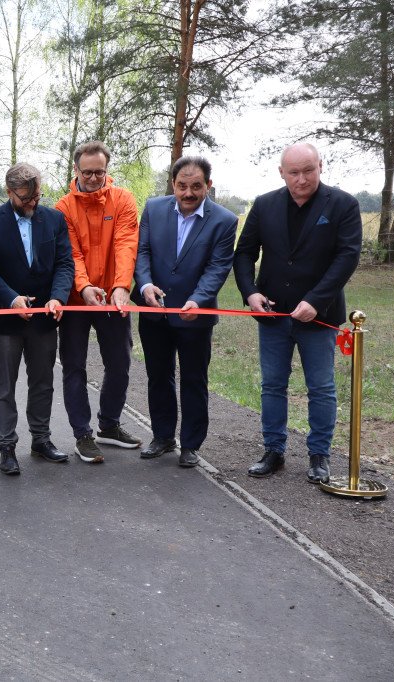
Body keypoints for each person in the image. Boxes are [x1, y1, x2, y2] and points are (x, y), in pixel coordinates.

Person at [234, 143, 362, 484]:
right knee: (272, 385)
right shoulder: (264, 205)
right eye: (294, 172)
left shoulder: (344, 205)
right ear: (281, 173)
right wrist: (250, 292)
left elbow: (347, 257)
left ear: (320, 166)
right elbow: (244, 252)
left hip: (319, 317)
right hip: (273, 314)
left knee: (321, 387)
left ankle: (319, 456)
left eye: (308, 170)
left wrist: (316, 300)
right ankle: (273, 451)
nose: (302, 179)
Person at [132, 157, 238, 467]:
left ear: (208, 185)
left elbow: (218, 267)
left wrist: (199, 299)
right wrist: (145, 284)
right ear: (173, 184)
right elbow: (143, 251)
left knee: (194, 379)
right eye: (181, 186)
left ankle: (191, 444)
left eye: (196, 186)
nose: (188, 193)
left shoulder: (224, 220)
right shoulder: (153, 208)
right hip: (154, 312)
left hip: (195, 314)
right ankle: (163, 436)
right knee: (158, 376)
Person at [0, 162, 74, 475]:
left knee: (43, 383)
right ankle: (6, 446)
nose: (31, 203)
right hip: (4, 320)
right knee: (4, 386)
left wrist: (58, 296)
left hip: (45, 318)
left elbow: (64, 264)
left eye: (36, 197)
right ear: (9, 193)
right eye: (24, 199)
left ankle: (41, 440)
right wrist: (11, 298)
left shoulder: (55, 219)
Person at [54, 141, 141, 463]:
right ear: (75, 170)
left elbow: (125, 243)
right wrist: (84, 286)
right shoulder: (62, 207)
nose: (93, 178)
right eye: (87, 172)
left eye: (99, 172)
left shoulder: (123, 200)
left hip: (113, 299)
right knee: (74, 366)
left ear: (108, 171)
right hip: (77, 299)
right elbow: (71, 253)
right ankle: (82, 434)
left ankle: (109, 425)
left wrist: (121, 287)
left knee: (120, 362)